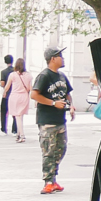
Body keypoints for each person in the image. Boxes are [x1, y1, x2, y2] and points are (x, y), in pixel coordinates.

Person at [32, 47, 74, 193]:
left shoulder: (62, 76)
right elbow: (34, 95)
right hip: (47, 120)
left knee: (60, 149)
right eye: (60, 56)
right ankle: (48, 181)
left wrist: (71, 105)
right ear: (52, 59)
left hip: (60, 120)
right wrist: (53, 103)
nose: (63, 58)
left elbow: (67, 93)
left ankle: (54, 178)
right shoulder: (44, 76)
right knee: (48, 151)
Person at [6, 58, 32, 143]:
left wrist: (4, 92)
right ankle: (18, 134)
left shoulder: (12, 75)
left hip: (15, 96)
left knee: (17, 116)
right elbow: (29, 88)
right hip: (24, 96)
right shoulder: (28, 75)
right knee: (21, 116)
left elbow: (7, 86)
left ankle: (22, 135)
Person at [0, 55, 16, 133]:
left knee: (3, 112)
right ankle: (14, 129)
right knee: (15, 112)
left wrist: (0, 83)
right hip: (14, 93)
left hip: (6, 94)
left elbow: (3, 84)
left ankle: (3, 129)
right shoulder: (16, 71)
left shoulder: (3, 72)